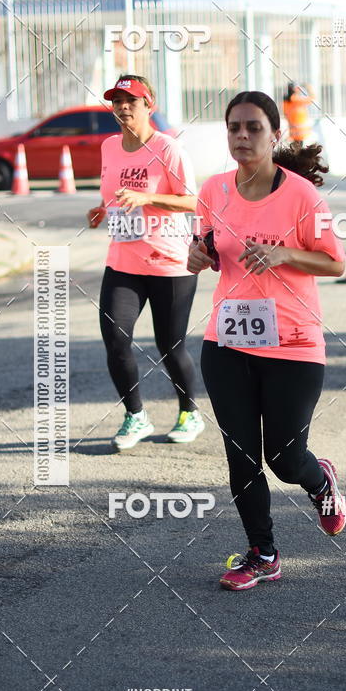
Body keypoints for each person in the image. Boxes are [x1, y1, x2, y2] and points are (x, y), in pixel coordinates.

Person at [187, 90, 346, 591]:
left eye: (253, 127)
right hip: (228, 341)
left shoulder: (301, 195)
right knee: (241, 454)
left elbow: (335, 261)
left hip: (293, 345)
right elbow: (210, 249)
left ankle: (319, 480)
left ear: (274, 136)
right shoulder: (213, 190)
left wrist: (284, 256)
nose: (241, 136)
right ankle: (263, 553)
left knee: (283, 458)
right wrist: (199, 257)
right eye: (234, 127)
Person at [86, 74, 205, 451]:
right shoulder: (108, 146)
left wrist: (148, 198)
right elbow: (115, 195)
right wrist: (102, 210)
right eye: (117, 101)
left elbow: (195, 202)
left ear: (148, 106)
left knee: (170, 345)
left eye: (131, 101)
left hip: (169, 262)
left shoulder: (168, 149)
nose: (123, 107)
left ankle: (190, 412)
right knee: (115, 341)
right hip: (123, 261)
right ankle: (135, 415)